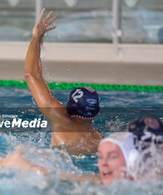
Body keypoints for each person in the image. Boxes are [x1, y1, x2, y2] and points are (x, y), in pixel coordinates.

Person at [0, 117, 163, 185]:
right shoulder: (123, 175)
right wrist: (29, 168)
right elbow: (76, 179)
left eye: (112, 156)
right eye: (101, 156)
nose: (102, 164)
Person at [24, 8, 103, 154]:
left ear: (68, 107)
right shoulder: (101, 142)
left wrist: (36, 37)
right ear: (96, 111)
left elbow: (32, 75)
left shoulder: (61, 120)